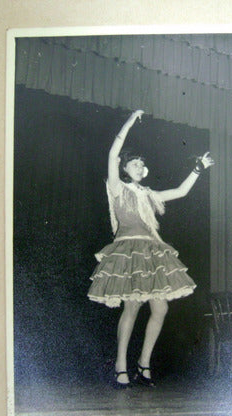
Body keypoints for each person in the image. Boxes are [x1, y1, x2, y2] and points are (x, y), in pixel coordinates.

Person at [88, 110, 214, 388]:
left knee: (160, 309)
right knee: (131, 307)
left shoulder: (148, 194)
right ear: (125, 168)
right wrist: (131, 121)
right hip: (129, 252)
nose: (137, 165)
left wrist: (198, 168)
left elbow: (180, 192)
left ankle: (143, 365)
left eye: (140, 163)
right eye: (133, 162)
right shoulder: (117, 188)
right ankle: (121, 365)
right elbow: (112, 155)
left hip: (152, 252)